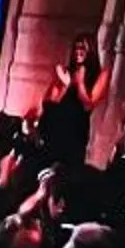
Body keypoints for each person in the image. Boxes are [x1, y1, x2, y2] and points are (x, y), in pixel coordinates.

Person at [36, 33, 105, 169]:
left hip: (75, 131)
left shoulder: (100, 75)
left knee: (67, 172)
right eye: (76, 47)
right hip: (54, 127)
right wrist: (66, 85)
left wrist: (80, 83)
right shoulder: (66, 72)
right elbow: (50, 103)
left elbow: (88, 106)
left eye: (83, 48)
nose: (78, 51)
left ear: (91, 50)